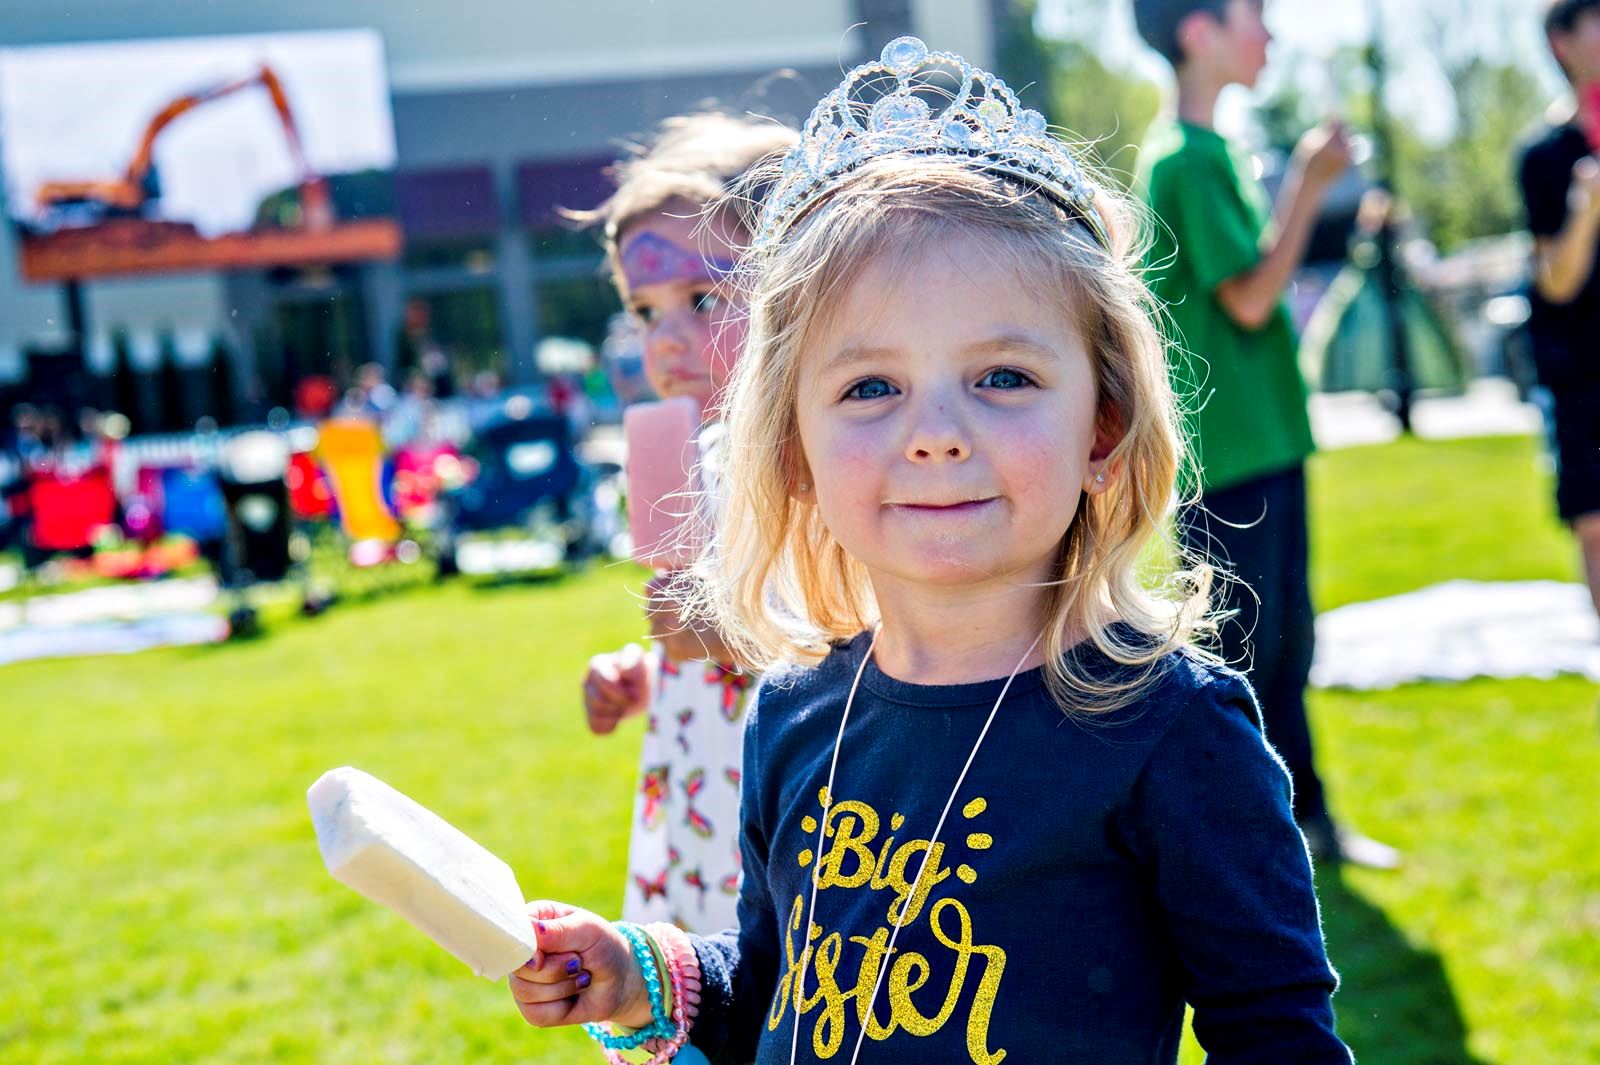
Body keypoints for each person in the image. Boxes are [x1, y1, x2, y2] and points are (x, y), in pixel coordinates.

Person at [507, 39, 1352, 1063]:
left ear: (1102, 425)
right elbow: (777, 987)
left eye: (1000, 376)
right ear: (794, 453)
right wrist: (644, 974)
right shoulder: (792, 712)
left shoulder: (1173, 734)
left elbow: (1276, 1038)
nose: (935, 433)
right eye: (869, 387)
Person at [1132, 0, 1398, 868]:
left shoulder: (1202, 155)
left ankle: (1302, 823)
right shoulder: (1187, 159)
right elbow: (1248, 296)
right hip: (1229, 458)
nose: (1271, 36)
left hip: (1263, 443)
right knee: (1248, 658)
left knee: (1288, 644)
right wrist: (1309, 187)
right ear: (1198, 32)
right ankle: (1245, 843)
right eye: (1254, 16)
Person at [576, 113, 798, 934]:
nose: (665, 341)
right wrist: (644, 669)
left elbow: (853, 627)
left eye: (703, 300)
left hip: (785, 824)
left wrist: (721, 626)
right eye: (644, 311)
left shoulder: (815, 465)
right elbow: (689, 629)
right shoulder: (693, 461)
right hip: (695, 807)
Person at [1520, 0, 1600, 623]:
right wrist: (1588, 207)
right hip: (1584, 377)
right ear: (1562, 41)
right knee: (1597, 527)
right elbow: (1556, 282)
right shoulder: (1547, 157)